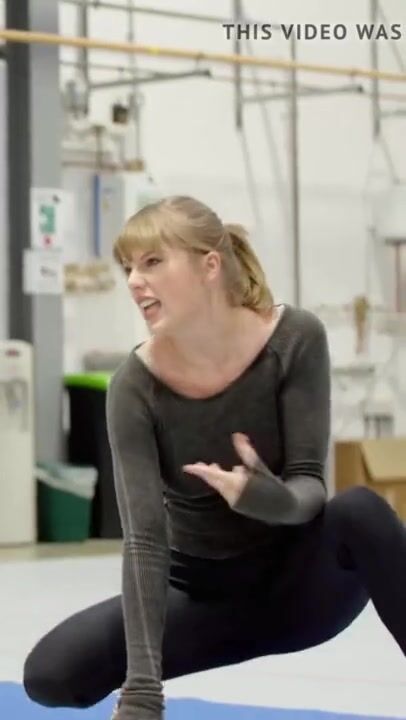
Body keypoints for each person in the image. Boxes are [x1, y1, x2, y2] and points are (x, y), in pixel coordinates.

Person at [23, 196, 406, 720]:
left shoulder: (295, 339)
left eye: (152, 262)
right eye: (128, 267)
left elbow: (309, 486)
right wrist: (142, 691)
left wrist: (269, 499)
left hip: (301, 593)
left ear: (209, 265)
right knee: (51, 675)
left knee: (361, 510)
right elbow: (144, 540)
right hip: (205, 601)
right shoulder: (134, 386)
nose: (134, 281)